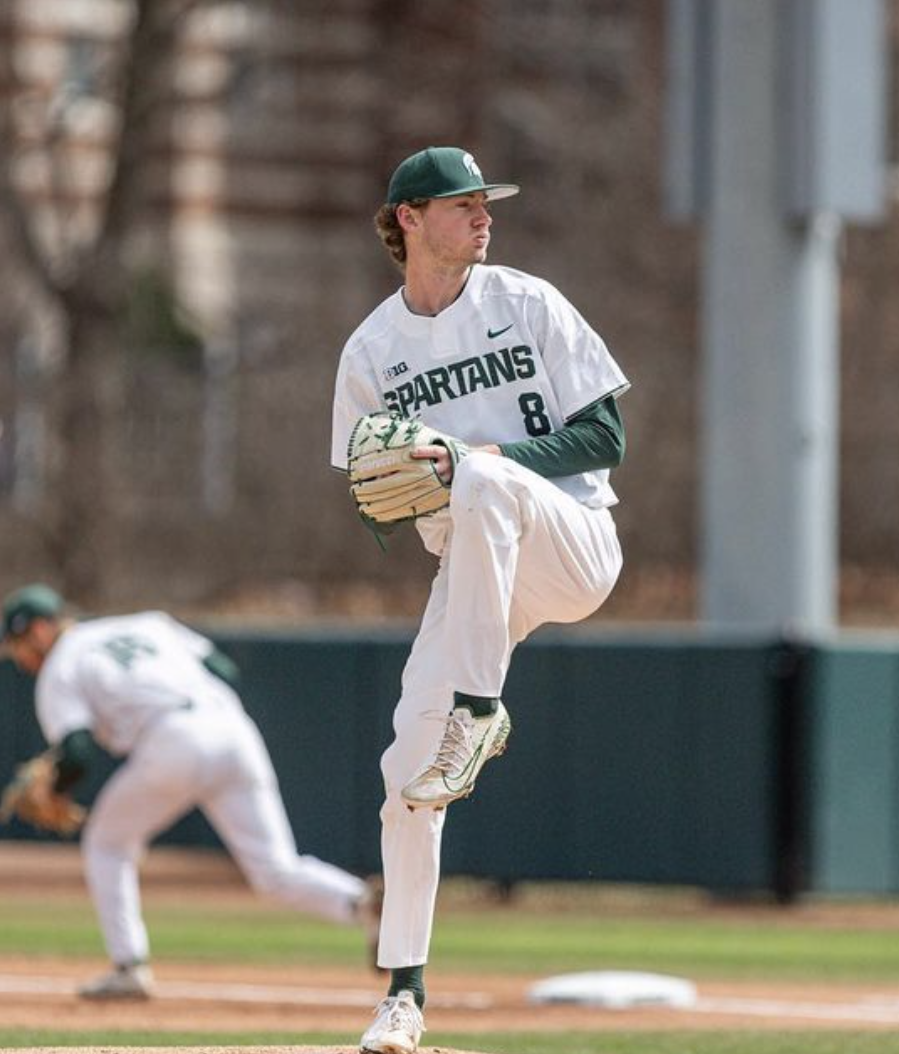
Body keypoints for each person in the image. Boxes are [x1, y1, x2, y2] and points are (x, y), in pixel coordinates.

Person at [330, 146, 628, 1054]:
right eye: (462, 204)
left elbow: (608, 429)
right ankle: (403, 997)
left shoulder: (526, 303)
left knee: (483, 480)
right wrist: (412, 483)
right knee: (405, 783)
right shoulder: (372, 349)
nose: (484, 216)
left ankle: (480, 708)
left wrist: (472, 464)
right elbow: (365, 482)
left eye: (485, 202)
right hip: (472, 568)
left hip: (571, 541)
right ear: (408, 220)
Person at [0, 583, 379, 999]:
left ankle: (129, 966)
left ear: (42, 629)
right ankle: (362, 904)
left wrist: (58, 788)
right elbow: (224, 669)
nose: (20, 657)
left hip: (172, 742)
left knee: (106, 843)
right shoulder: (148, 623)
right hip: (233, 729)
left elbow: (78, 753)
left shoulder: (59, 669)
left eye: (19, 644)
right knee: (275, 869)